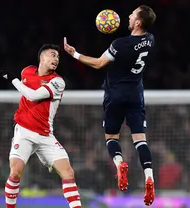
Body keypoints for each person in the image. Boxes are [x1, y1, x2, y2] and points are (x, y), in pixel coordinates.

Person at [63, 5, 156, 206]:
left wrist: (75, 54)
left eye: (132, 14)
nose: (129, 16)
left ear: (138, 22)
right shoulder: (150, 40)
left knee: (111, 137)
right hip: (136, 96)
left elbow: (98, 64)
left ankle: (119, 163)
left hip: (115, 95)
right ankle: (149, 176)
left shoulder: (120, 44)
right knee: (140, 140)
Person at [1, 44, 82, 208]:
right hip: (23, 131)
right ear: (42, 58)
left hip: (45, 135)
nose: (56, 59)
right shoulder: (27, 72)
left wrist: (12, 78)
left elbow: (33, 96)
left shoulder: (58, 82)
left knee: (68, 172)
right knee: (15, 172)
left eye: (58, 57)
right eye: (53, 55)